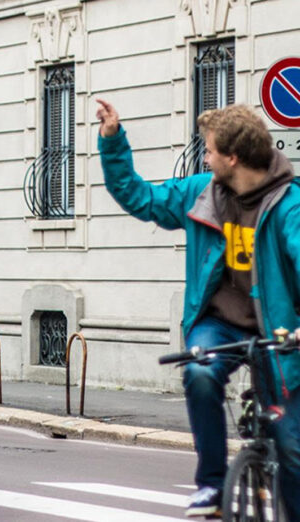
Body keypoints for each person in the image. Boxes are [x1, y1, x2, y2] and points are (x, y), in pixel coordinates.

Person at [96, 100, 300, 519]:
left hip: (278, 332)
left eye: (208, 151)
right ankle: (210, 485)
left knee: (291, 445)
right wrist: (113, 141)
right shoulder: (201, 195)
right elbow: (140, 197)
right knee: (200, 372)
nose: (204, 158)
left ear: (233, 157)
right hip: (219, 325)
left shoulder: (288, 205)